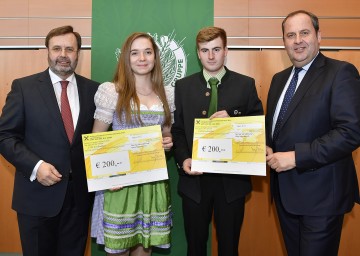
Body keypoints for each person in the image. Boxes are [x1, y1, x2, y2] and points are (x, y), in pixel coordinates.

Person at [265, 10, 360, 256]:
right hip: (286, 197)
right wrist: (265, 147)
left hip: (322, 200)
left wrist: (295, 157)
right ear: (284, 41)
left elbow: (350, 132)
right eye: (290, 35)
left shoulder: (341, 73)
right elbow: (278, 129)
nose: (297, 40)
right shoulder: (278, 80)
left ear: (319, 36)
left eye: (304, 33)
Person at [0, 25, 99, 255]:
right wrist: (36, 166)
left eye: (69, 49)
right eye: (57, 48)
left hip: (79, 201)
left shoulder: (94, 91)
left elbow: (103, 139)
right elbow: (4, 135)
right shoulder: (24, 88)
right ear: (47, 51)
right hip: (36, 197)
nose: (63, 54)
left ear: (78, 54)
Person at [171, 26, 263, 256]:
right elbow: (178, 130)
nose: (211, 56)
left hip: (231, 184)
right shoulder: (183, 87)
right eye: (205, 50)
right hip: (194, 183)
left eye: (216, 49)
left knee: (229, 247)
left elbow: (258, 126)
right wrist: (183, 159)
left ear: (226, 51)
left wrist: (233, 117)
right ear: (198, 53)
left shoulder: (246, 84)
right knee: (195, 246)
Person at [90, 32, 174, 256]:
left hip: (151, 182)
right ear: (126, 58)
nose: (142, 58)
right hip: (119, 182)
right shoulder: (113, 91)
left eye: (148, 52)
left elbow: (166, 135)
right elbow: (96, 139)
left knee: (144, 249)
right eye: (135, 53)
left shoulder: (167, 94)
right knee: (117, 250)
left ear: (155, 57)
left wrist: (167, 143)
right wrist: (107, 178)